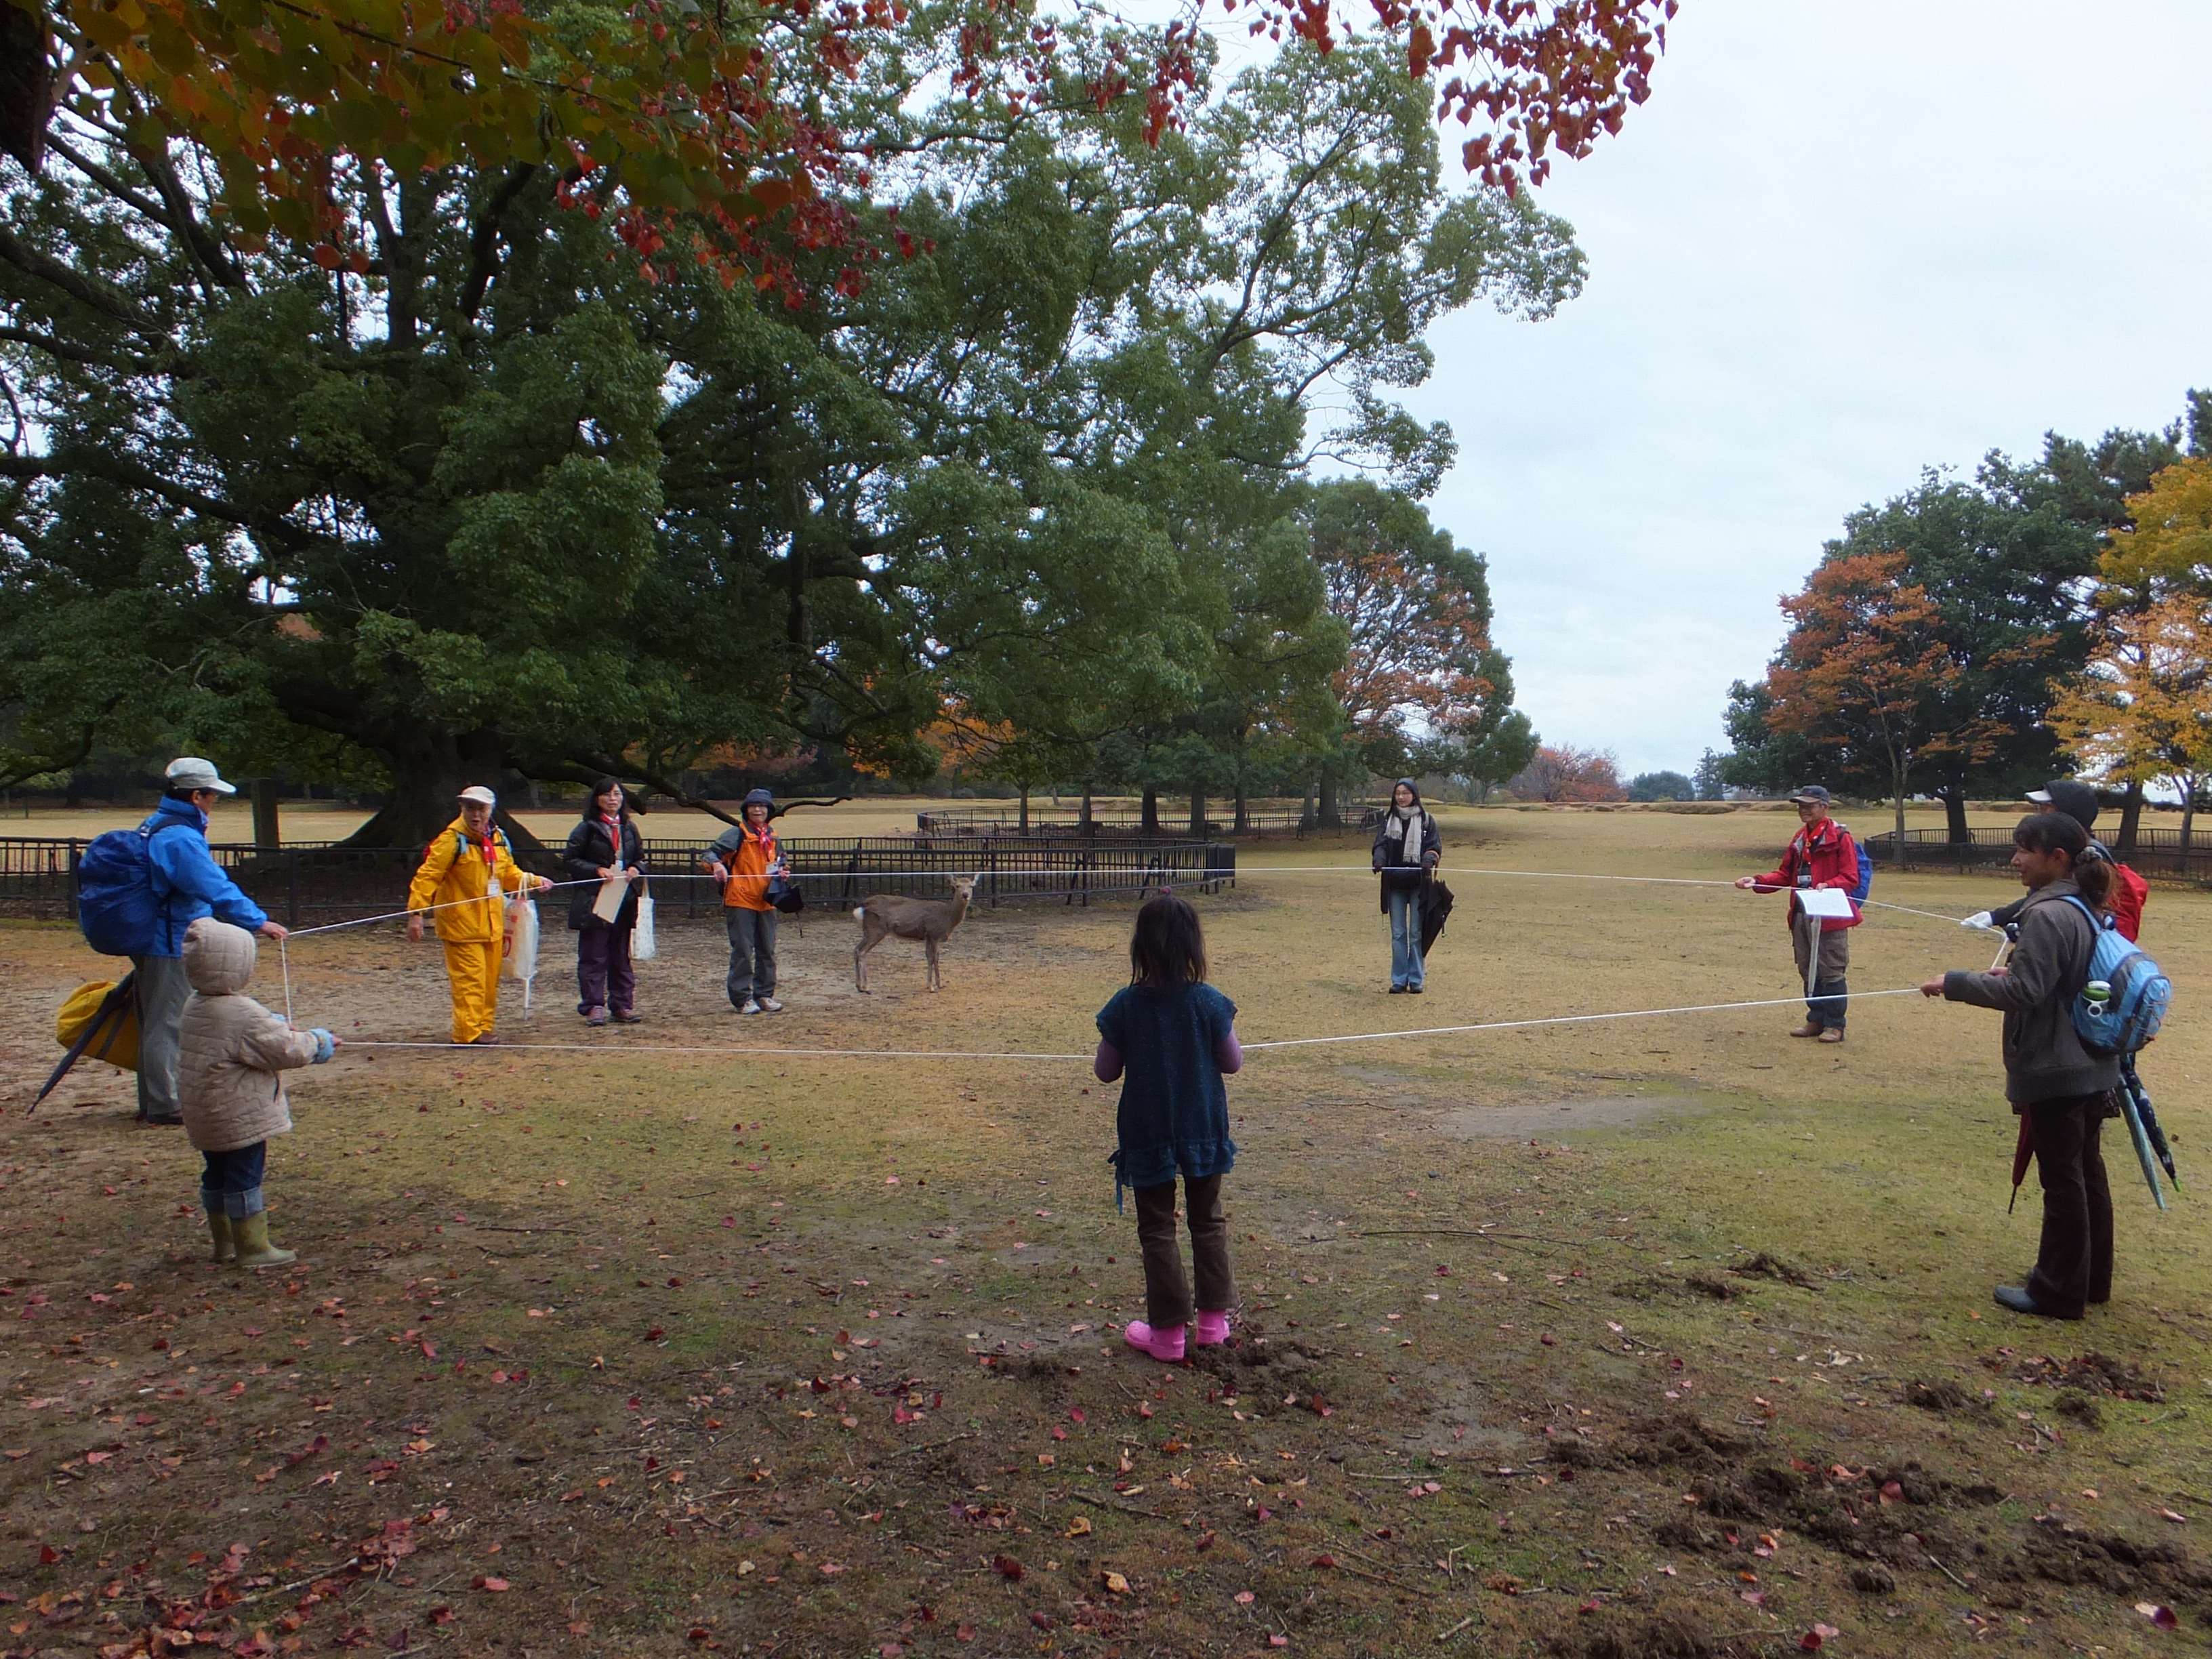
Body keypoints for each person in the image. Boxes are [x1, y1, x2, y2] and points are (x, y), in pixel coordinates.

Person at [1921, 813, 2121, 1319]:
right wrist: (2012, 969)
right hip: (2090, 1061)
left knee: (2063, 1179)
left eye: (2025, 850)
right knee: (2084, 1172)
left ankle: (2057, 1292)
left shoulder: (2049, 914)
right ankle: (2089, 1280)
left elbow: (2024, 993)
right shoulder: (2081, 906)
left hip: (2058, 1065)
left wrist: (1957, 981)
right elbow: (2058, 978)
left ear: (2057, 859)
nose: (2015, 860)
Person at [1094, 892, 1243, 1363]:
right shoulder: (1209, 1002)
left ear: (1141, 948)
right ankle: (1214, 1325)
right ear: (1193, 948)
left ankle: (1169, 1333)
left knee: (1157, 1227)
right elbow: (1233, 1062)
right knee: (1208, 1220)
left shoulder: (1125, 1005)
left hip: (1148, 1131)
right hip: (1201, 1126)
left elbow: (1105, 1070)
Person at [131, 757, 290, 1125]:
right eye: (212, 795)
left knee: (160, 1020)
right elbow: (212, 885)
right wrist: (259, 921)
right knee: (167, 1023)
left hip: (161, 937)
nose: (214, 802)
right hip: (170, 941)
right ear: (196, 796)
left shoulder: (161, 826)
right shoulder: (178, 837)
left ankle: (160, 1099)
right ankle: (164, 1103)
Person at [176, 918, 338, 1269]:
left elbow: (245, 1035)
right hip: (239, 1117)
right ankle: (252, 1247)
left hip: (207, 1115)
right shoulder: (240, 1012)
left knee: (216, 1174)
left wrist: (274, 1020)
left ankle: (225, 1244)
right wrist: (320, 1042)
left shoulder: (196, 1004)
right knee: (244, 1177)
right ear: (235, 966)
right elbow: (286, 1049)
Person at [405, 786, 552, 1045]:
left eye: (481, 809)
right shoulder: (451, 841)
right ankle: (466, 1033)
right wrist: (416, 913)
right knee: (469, 982)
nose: (476, 815)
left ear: (491, 810)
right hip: (461, 925)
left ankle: (484, 1028)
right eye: (470, 808)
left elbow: (508, 875)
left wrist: (533, 881)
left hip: (492, 924)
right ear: (462, 809)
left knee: (488, 982)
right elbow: (428, 877)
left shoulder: (498, 838)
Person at [1735, 785, 1862, 1043]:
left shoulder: (1840, 837)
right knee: (1808, 969)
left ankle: (1835, 1025)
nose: (1804, 810)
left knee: (1831, 970)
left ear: (1824, 807)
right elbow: (1784, 875)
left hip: (1829, 915)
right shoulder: (1799, 838)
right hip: (1801, 912)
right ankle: (1815, 1019)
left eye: (1810, 805)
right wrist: (1757, 881)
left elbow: (1851, 877)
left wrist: (1829, 885)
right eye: (1801, 805)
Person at [1973, 779, 2148, 942]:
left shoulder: (2088, 854)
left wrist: (2021, 925)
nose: (2040, 813)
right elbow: (2040, 896)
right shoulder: (2064, 850)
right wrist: (1998, 917)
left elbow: (2070, 911)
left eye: (2047, 807)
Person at [563, 778, 647, 1026]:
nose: (613, 799)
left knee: (621, 955)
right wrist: (596, 869)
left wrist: (635, 868)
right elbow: (570, 860)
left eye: (618, 794)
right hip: (595, 900)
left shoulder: (629, 828)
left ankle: (622, 1004)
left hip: (624, 898)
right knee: (594, 955)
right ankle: (593, 1006)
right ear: (597, 798)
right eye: (608, 795)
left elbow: (641, 858)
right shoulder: (586, 828)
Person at [703, 788, 787, 1014]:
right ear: (746, 810)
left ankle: (765, 995)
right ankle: (742, 998)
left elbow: (781, 862)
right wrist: (717, 865)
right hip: (740, 900)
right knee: (742, 950)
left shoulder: (773, 836)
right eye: (753, 806)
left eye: (762, 806)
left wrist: (782, 872)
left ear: (769, 810)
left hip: (767, 901)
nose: (758, 810)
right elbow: (710, 854)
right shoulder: (736, 835)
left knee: (767, 950)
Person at [1371, 778, 1441, 994]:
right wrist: (1379, 858)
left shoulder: (1427, 821)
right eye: (1398, 793)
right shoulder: (1388, 819)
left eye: (1405, 793)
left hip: (1419, 884)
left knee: (1416, 932)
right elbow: (1381, 844)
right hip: (1395, 884)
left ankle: (1416, 978)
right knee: (1399, 933)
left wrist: (1429, 859)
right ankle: (1399, 979)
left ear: (1414, 795)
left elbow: (1434, 846)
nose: (1401, 797)